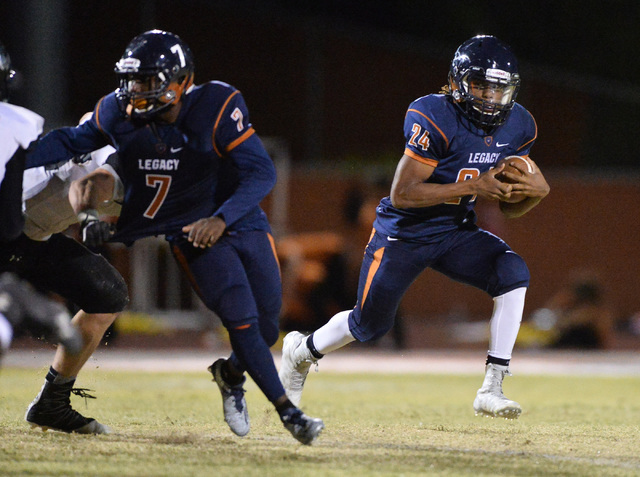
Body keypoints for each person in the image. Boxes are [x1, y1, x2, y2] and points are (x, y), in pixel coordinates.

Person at [30, 30, 324, 445]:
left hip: (233, 216)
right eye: (132, 81)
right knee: (239, 315)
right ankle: (289, 414)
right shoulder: (119, 116)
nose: (135, 92)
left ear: (180, 80)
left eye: (148, 81)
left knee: (266, 325)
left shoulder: (215, 105)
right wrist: (21, 157)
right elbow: (79, 152)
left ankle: (229, 374)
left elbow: (260, 171)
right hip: (184, 227)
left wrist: (222, 217)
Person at [280, 35, 550, 420]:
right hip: (403, 232)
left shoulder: (519, 124)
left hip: (455, 230)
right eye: (480, 86)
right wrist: (474, 186)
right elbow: (404, 193)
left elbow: (512, 209)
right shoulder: (433, 116)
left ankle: (492, 387)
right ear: (458, 83)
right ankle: (301, 351)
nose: (490, 98)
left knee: (513, 271)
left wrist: (537, 193)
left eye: (498, 88)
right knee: (368, 325)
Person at [5, 114, 129, 434]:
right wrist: (88, 220)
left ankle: (52, 402)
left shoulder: (124, 132)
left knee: (107, 294)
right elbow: (84, 185)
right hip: (9, 226)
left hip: (37, 235)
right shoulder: (133, 154)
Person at [0, 40, 82, 360]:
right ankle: (15, 300)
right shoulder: (17, 123)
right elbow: (8, 225)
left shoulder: (14, 123)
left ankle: (14, 301)